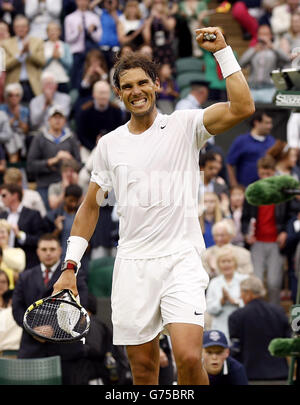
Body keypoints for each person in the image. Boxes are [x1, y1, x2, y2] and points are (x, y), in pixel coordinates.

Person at [52, 26, 255, 385]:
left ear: (156, 85)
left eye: (142, 83)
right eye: (127, 86)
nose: (136, 91)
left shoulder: (185, 125)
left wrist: (223, 51)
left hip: (181, 257)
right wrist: (70, 265)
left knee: (190, 357)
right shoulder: (110, 145)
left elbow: (243, 106)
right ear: (118, 93)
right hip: (132, 264)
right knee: (144, 369)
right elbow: (90, 206)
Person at [12, 233, 89, 385]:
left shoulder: (75, 278)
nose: (48, 253)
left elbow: (81, 306)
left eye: (52, 249)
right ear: (37, 251)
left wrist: (52, 328)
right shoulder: (25, 277)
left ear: (60, 251)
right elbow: (17, 309)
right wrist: (34, 329)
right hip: (31, 349)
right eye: (44, 249)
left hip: (65, 351)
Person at [241, 155, 288, 306]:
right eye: (262, 174)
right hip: (257, 242)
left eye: (269, 173)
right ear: (258, 172)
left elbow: (291, 214)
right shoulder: (252, 191)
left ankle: (273, 312)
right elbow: (245, 218)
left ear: (274, 172)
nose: (265, 177)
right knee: (257, 282)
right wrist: (246, 234)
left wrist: (285, 232)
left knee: (274, 283)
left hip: (276, 242)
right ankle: (258, 314)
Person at [228, 275, 291, 382]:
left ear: (248, 293)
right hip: (279, 374)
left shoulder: (236, 316)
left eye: (241, 293)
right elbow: (287, 344)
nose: (240, 296)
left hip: (249, 375)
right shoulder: (279, 312)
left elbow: (235, 349)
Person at [27, 105, 81, 209]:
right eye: (54, 117)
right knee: (45, 217)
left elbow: (79, 164)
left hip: (68, 186)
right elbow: (30, 166)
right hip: (45, 184)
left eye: (60, 117)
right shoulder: (40, 137)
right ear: (49, 120)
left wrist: (70, 159)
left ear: (64, 120)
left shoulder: (71, 137)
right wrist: (52, 161)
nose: (57, 120)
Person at [239, 24, 290, 103]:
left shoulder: (274, 50)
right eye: (261, 34)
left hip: (270, 89)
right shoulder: (253, 50)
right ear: (258, 36)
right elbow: (241, 63)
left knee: (270, 113)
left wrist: (273, 47)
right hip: (253, 89)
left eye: (266, 34)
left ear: (271, 36)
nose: (263, 37)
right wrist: (254, 51)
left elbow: (287, 59)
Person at [205, 246, 248, 340]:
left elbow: (251, 305)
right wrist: (221, 302)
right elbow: (209, 309)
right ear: (218, 264)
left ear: (235, 263)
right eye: (223, 262)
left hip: (241, 327)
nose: (226, 264)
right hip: (220, 329)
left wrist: (235, 301)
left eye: (229, 261)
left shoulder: (244, 280)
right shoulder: (214, 283)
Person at [1, 14, 45, 103]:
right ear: (13, 28)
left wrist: (29, 53)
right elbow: (4, 65)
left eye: (23, 26)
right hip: (14, 85)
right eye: (17, 26)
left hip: (33, 84)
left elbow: (42, 62)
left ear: (28, 27)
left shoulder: (38, 41)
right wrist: (20, 55)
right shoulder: (6, 43)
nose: (20, 29)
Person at [0, 183, 45, 269]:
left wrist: (20, 235)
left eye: (4, 195)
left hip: (26, 264)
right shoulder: (2, 215)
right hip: (4, 264)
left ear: (15, 195)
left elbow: (40, 239)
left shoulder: (32, 214)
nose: (1, 198)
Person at [226, 110, 275, 188]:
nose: (270, 126)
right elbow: (229, 163)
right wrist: (234, 185)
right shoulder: (241, 141)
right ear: (256, 123)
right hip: (246, 189)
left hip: (267, 189)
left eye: (270, 123)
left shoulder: (272, 141)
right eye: (267, 123)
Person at [76, 80, 124, 158]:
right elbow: (81, 135)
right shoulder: (85, 111)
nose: (103, 96)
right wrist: (95, 148)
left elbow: (119, 132)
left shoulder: (116, 111)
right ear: (94, 94)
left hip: (111, 147)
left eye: (106, 93)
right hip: (89, 148)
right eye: (101, 93)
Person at [64, 0, 102, 90]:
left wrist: (92, 31)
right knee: (76, 78)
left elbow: (98, 38)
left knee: (93, 76)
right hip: (77, 53)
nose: (83, 2)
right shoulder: (70, 18)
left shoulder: (94, 17)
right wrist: (77, 32)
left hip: (91, 54)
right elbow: (68, 39)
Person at [0, 82, 29, 163]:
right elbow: (2, 128)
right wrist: (14, 119)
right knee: (11, 137)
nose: (14, 98)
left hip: (20, 135)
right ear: (6, 97)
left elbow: (26, 130)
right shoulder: (1, 109)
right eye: (10, 95)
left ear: (20, 96)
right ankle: (14, 164)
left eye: (17, 95)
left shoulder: (24, 110)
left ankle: (14, 164)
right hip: (5, 135)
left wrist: (18, 119)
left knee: (17, 137)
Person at [43, 21, 73, 94]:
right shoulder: (42, 46)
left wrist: (60, 58)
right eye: (50, 30)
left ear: (59, 32)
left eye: (55, 30)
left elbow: (70, 65)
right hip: (47, 81)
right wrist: (51, 57)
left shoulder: (65, 46)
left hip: (62, 80)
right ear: (46, 33)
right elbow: (40, 64)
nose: (53, 32)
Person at [0, 269, 22, 354]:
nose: (0, 285)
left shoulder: (15, 303)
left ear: (8, 284)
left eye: (3, 282)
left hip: (13, 350)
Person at [0, 220, 25, 289]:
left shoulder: (18, 251)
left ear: (8, 234)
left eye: (2, 232)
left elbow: (20, 266)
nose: (0, 235)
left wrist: (2, 249)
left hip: (11, 291)